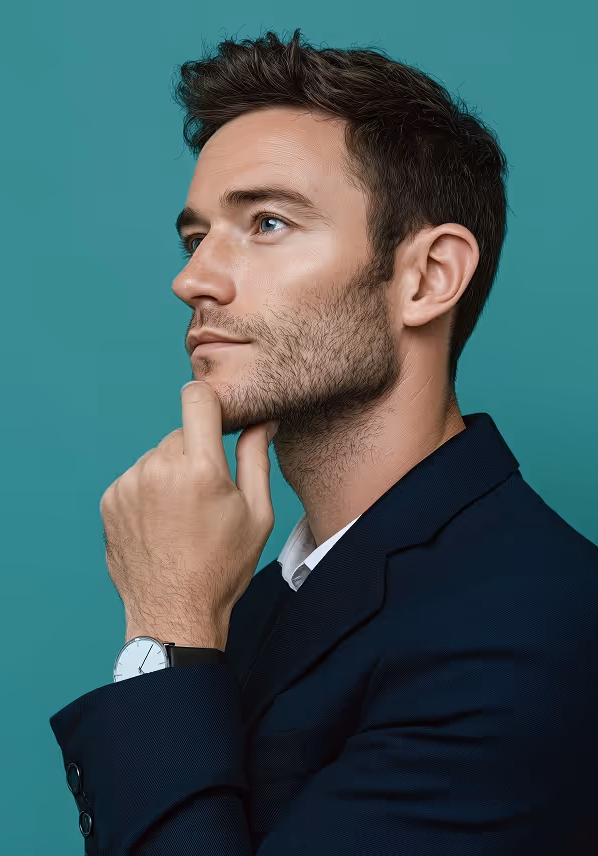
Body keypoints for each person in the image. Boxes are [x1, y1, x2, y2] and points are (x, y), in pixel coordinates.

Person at [49, 28, 598, 855]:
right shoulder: (268, 599)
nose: (193, 279)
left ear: (427, 278)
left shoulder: (533, 626)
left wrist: (163, 624)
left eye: (266, 222)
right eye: (196, 236)